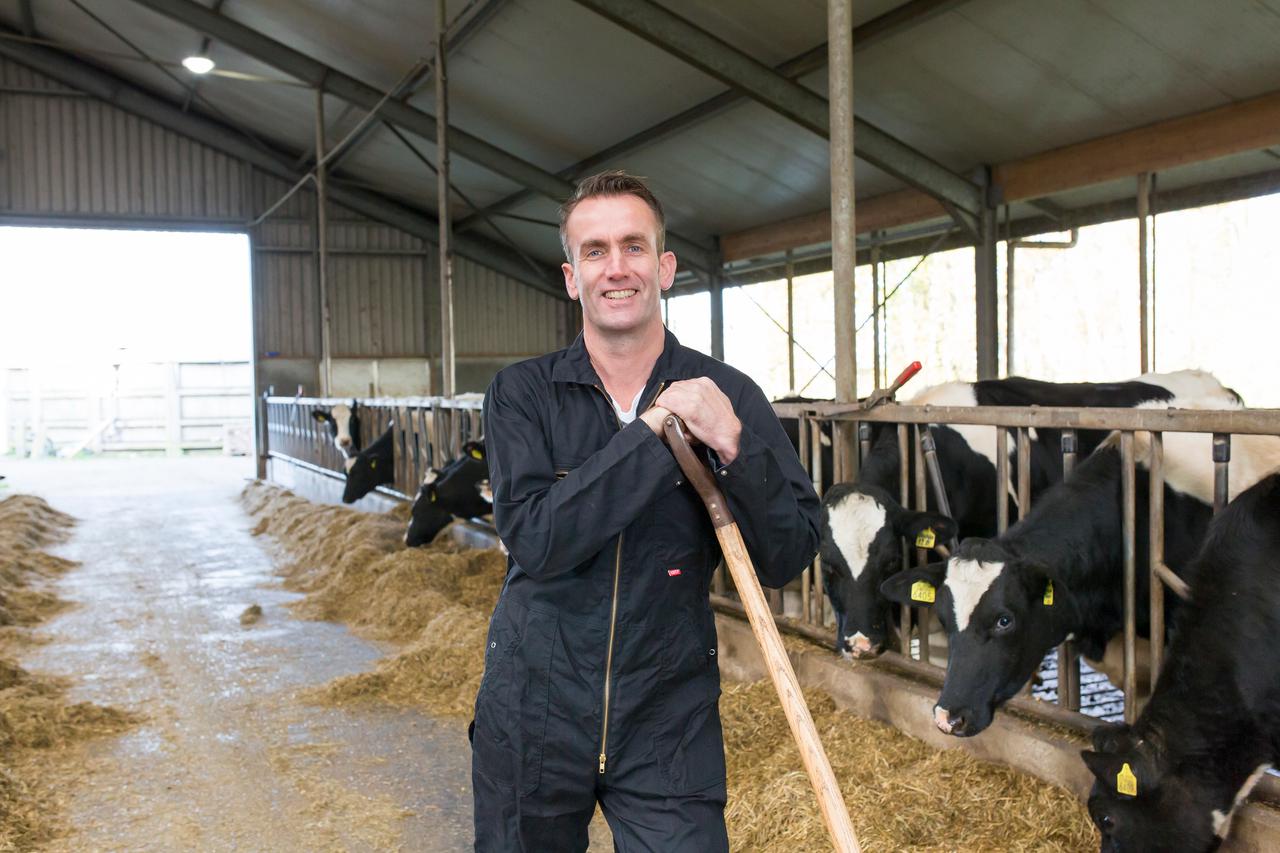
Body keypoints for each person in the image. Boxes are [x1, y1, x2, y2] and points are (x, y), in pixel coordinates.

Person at [472, 170, 821, 851]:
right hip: (535, 708)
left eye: (634, 246)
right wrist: (657, 432)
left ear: (664, 267)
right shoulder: (523, 395)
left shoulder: (728, 394)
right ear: (572, 276)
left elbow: (789, 553)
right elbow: (538, 540)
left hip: (668, 714)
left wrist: (735, 448)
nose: (616, 267)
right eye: (595, 250)